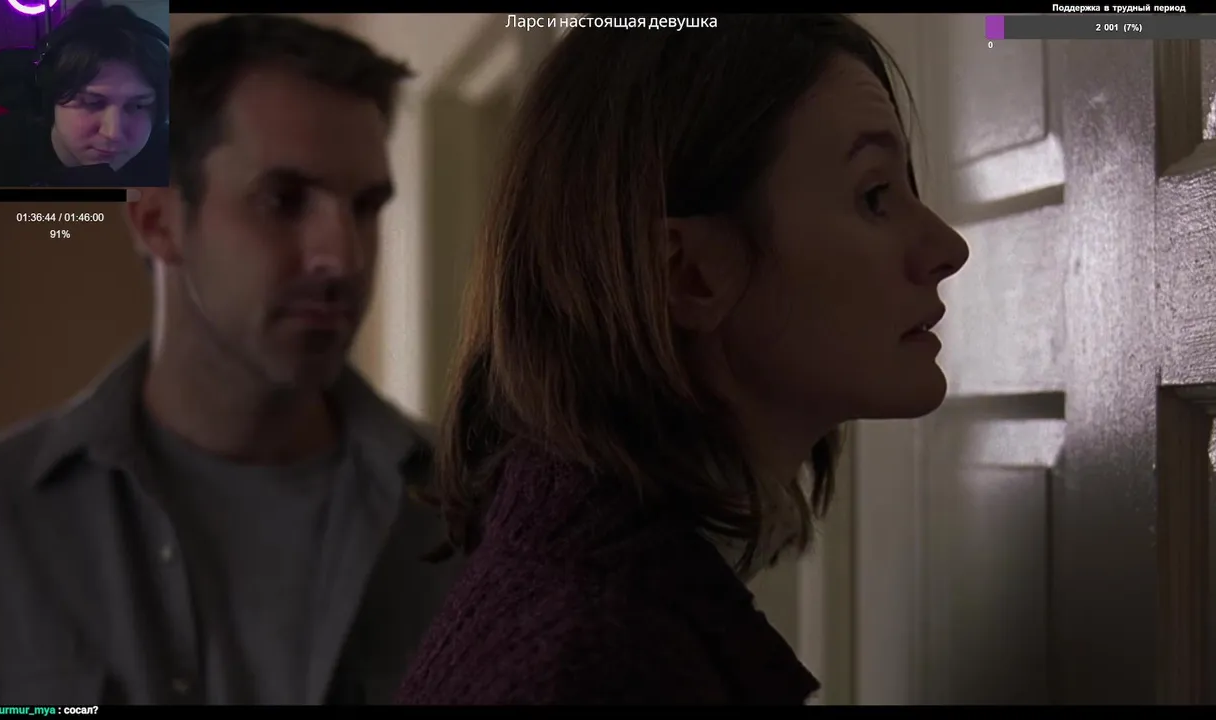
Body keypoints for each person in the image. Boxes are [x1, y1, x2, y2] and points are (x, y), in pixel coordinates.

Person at [395, 13, 971, 705]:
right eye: (875, 196)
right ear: (687, 273)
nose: (947, 248)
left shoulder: (575, 589)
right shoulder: (597, 663)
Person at [0, 15, 459, 704]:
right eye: (284, 200)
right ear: (157, 220)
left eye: (366, 207)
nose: (344, 257)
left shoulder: (467, 514)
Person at [0, 0, 169, 188]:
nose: (113, 134)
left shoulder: (172, 158)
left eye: (137, 106)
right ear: (49, 98)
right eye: (92, 103)